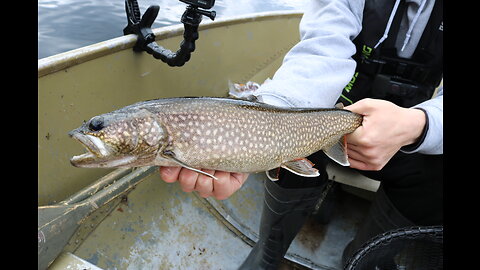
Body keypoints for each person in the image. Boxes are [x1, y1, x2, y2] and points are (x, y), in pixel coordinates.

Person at [159, 0, 443, 268]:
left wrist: (420, 125)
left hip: (416, 127)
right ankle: (268, 255)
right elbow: (322, 47)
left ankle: (368, 259)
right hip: (327, 106)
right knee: (288, 147)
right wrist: (268, 119)